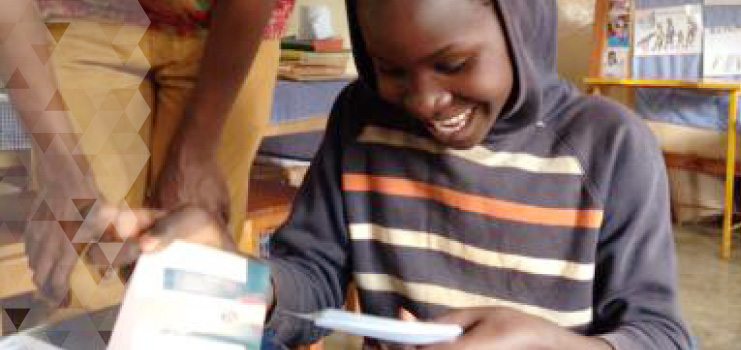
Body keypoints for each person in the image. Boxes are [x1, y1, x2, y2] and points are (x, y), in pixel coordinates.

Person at [129, 0, 695, 349]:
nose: (424, 100)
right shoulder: (360, 122)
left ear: (518, 20)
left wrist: (549, 345)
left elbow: (661, 337)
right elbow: (314, 279)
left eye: (453, 64)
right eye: (391, 69)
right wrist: (245, 282)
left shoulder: (612, 150)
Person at [0, 0, 294, 307]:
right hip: (83, 16)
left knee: (196, 273)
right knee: (81, 274)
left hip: (228, 28)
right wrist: (60, 167)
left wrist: (196, 155)